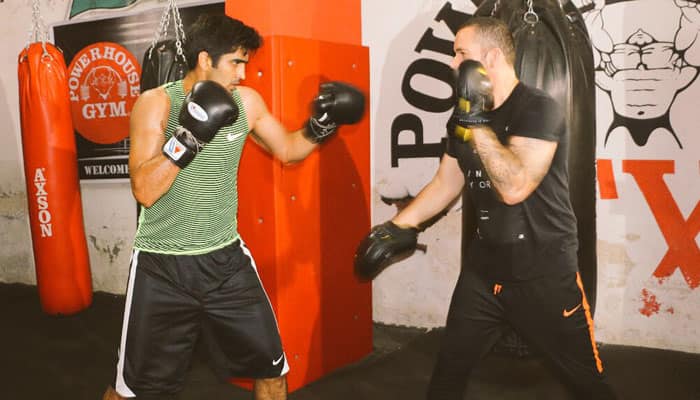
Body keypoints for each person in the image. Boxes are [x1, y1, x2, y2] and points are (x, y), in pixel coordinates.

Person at [103, 14, 364, 400]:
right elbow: (144, 190)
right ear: (205, 59)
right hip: (162, 266)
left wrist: (321, 126)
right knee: (132, 390)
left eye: (246, 63)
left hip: (226, 262)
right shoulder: (157, 103)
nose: (243, 74)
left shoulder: (247, 103)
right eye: (236, 63)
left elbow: (289, 150)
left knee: (273, 371)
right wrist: (188, 140)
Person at [355, 17, 616, 400]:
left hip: (543, 275)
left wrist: (475, 120)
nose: (452, 63)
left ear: (490, 58)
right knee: (447, 375)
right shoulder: (462, 117)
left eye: (461, 53)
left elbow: (514, 187)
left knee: (586, 385)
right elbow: (447, 183)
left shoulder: (539, 109)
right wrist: (398, 225)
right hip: (483, 273)